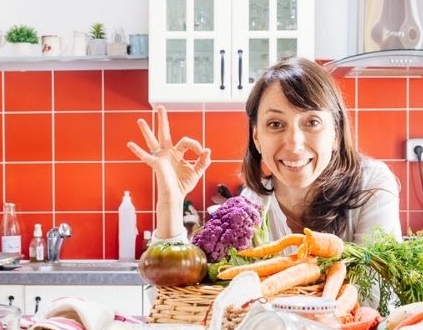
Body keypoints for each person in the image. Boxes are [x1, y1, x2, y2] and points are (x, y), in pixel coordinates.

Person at [127, 56, 401, 248]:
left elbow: (378, 300)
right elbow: (179, 300)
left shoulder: (372, 185)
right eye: (276, 124)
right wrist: (171, 202)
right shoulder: (251, 208)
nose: (294, 143)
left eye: (312, 122)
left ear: (336, 133)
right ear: (257, 137)